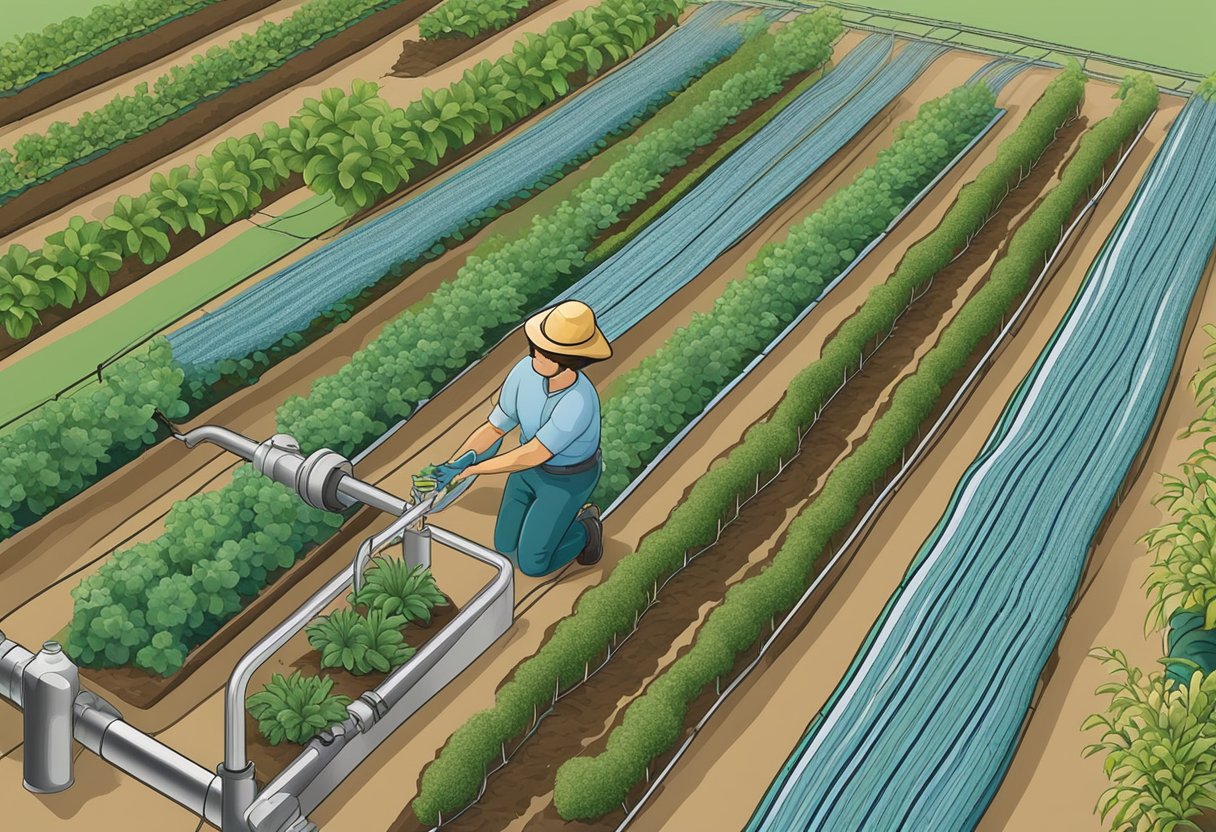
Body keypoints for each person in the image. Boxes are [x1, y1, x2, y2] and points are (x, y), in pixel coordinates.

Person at [430, 301, 612, 577]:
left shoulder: (579, 400)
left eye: (547, 353)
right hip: (528, 472)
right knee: (503, 547)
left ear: (570, 361)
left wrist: (474, 469)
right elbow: (495, 428)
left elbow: (535, 452)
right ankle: (549, 528)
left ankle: (587, 530)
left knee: (533, 564)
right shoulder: (524, 373)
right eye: (536, 347)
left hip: (567, 480)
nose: (535, 355)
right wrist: (459, 461)